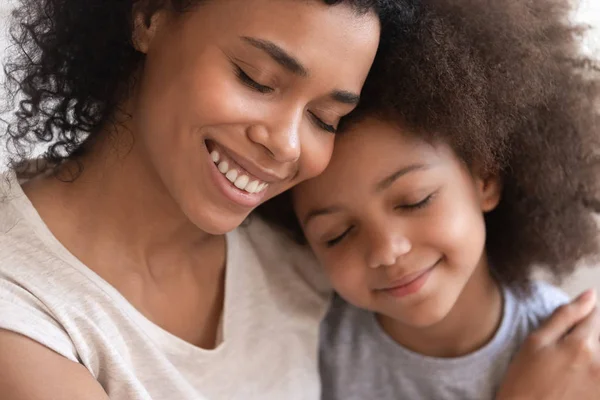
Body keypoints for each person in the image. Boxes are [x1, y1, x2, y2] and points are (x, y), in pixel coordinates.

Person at [0, 0, 598, 399]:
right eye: (256, 79)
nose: (284, 145)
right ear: (151, 14)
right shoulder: (24, 314)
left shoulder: (298, 246)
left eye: (326, 117)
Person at [277, 0, 600, 399]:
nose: (387, 250)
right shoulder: (312, 348)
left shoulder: (572, 356)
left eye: (415, 200)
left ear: (485, 179)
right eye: (337, 234)